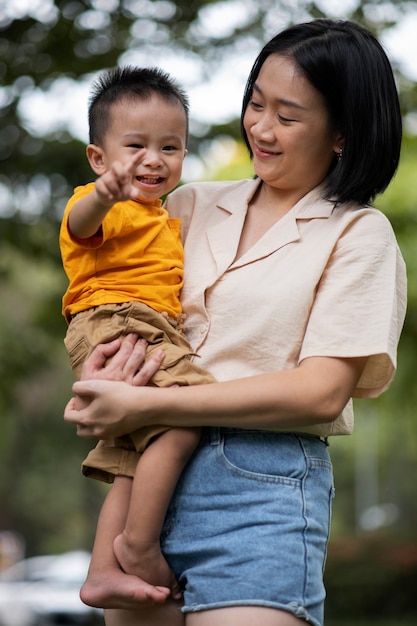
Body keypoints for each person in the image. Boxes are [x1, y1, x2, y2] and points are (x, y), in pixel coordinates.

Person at [64, 18, 407, 626]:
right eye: (255, 103)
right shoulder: (190, 203)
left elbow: (321, 391)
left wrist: (149, 409)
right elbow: (118, 293)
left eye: (287, 114)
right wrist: (103, 377)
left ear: (342, 134)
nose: (260, 128)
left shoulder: (358, 234)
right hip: (146, 485)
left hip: (261, 493)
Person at [59, 66, 214, 597]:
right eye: (136, 145)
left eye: (170, 147)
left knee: (133, 454)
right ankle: (142, 545)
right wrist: (105, 193)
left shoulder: (163, 214)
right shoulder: (112, 204)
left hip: (140, 325)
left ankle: (102, 570)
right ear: (99, 159)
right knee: (188, 417)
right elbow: (82, 222)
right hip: (120, 321)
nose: (154, 158)